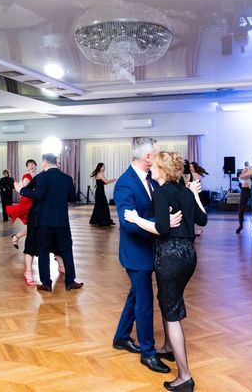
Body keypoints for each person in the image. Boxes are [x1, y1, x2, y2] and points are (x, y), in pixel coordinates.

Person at [125, 151, 207, 392]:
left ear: (163, 170)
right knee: (168, 300)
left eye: (155, 165)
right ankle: (168, 348)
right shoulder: (184, 191)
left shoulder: (161, 192)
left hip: (170, 256)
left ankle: (184, 377)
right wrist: (195, 194)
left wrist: (136, 219)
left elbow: (161, 228)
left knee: (171, 313)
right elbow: (202, 219)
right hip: (188, 255)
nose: (151, 168)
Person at [112, 137, 181, 375]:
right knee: (145, 301)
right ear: (148, 157)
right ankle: (148, 353)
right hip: (136, 252)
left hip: (151, 248)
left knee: (136, 294)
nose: (160, 156)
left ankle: (121, 337)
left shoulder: (151, 178)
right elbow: (128, 224)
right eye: (158, 152)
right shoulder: (125, 184)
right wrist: (161, 223)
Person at [16, 153, 83, 292]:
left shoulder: (41, 177)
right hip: (62, 221)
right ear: (56, 162)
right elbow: (73, 198)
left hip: (44, 222)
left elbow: (37, 194)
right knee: (66, 251)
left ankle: (46, 283)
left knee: (43, 252)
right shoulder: (67, 178)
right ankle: (70, 281)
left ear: (45, 163)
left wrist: (21, 190)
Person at [7, 159, 39, 285]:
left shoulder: (38, 176)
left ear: (36, 166)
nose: (31, 166)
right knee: (32, 226)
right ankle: (16, 237)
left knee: (32, 226)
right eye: (29, 165)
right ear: (27, 167)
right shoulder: (27, 176)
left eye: (33, 164)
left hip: (34, 202)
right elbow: (25, 189)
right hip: (28, 202)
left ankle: (16, 237)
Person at [236, 161, 252, 234]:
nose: (246, 166)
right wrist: (243, 182)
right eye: (245, 165)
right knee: (241, 208)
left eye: (247, 165)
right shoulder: (244, 170)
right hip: (245, 190)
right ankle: (240, 226)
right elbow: (240, 178)